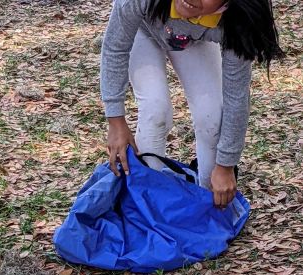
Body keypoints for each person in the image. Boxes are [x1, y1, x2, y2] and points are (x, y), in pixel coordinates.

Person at [101, 0, 283, 209]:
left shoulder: (235, 23)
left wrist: (225, 167)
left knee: (212, 115)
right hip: (142, 30)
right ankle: (148, 204)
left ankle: (209, 203)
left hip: (191, 40)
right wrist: (115, 121)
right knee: (155, 109)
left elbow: (236, 98)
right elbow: (115, 48)